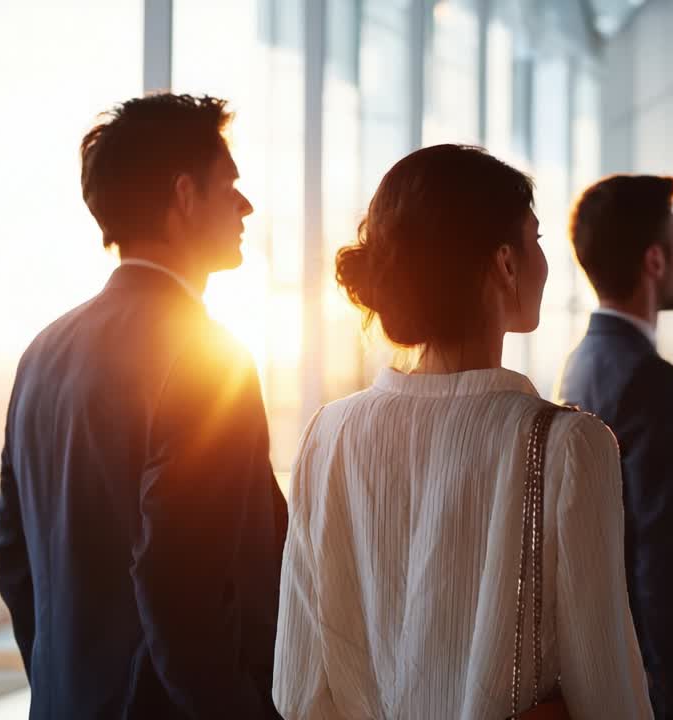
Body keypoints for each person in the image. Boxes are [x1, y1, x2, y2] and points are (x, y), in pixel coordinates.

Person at [271, 145, 652, 720]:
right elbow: (609, 696)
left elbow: (296, 689)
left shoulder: (329, 435)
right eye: (537, 239)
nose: (545, 263)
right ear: (504, 263)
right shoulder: (567, 446)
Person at [0, 93, 287, 718]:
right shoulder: (207, 356)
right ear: (184, 196)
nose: (245, 206)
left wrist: (65, 679)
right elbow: (179, 586)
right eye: (229, 185)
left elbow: (12, 554)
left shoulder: (42, 352)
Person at [557, 174, 673, 719]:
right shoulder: (651, 378)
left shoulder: (583, 362)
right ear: (654, 262)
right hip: (668, 679)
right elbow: (668, 553)